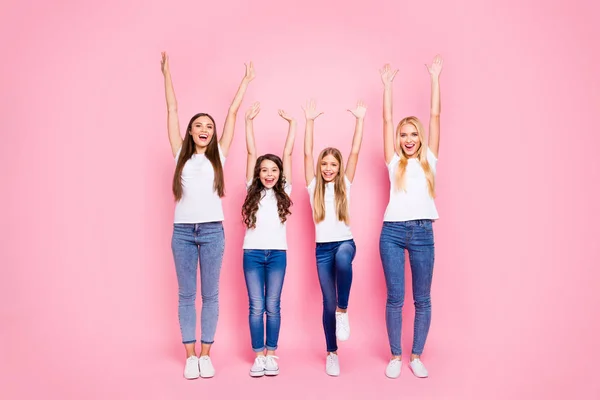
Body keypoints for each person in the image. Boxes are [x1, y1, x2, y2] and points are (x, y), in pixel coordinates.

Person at [160, 51, 255, 379]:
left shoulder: (220, 156)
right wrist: (166, 74)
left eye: (208, 127)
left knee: (210, 294)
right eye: (198, 125)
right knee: (186, 294)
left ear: (214, 134)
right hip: (183, 233)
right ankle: (190, 355)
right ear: (189, 132)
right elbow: (172, 109)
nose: (204, 129)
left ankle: (206, 353)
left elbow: (232, 112)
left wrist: (244, 82)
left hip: (213, 232)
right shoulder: (179, 156)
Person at [378, 55, 443, 379]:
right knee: (395, 297)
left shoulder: (429, 158)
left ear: (420, 138)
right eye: (404, 135)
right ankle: (395, 355)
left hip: (422, 233)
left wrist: (434, 78)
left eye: (413, 134)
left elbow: (434, 114)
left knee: (422, 298)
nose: (408, 139)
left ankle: (416, 355)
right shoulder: (393, 161)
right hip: (391, 232)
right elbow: (387, 121)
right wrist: (388, 87)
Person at [303, 99, 367, 376]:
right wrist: (309, 122)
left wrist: (360, 120)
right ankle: (332, 352)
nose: (329, 168)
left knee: (344, 259)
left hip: (344, 243)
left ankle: (344, 309)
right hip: (321, 250)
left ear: (340, 168)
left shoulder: (345, 185)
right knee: (326, 303)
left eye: (333, 165)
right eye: (325, 164)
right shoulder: (314, 186)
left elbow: (355, 151)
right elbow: (306, 154)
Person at [241, 102, 297, 377]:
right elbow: (251, 151)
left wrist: (293, 124)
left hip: (277, 254)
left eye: (273, 170)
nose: (269, 174)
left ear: (279, 174)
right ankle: (258, 356)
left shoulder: (284, 189)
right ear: (258, 173)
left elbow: (288, 152)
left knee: (273, 305)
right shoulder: (251, 188)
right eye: (264, 170)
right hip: (251, 253)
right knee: (256, 306)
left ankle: (271, 354)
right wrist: (248, 123)